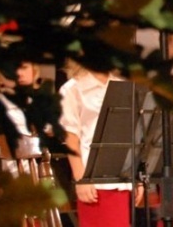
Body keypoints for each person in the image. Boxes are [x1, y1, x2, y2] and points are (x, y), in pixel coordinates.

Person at [58, 61, 135, 225]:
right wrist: (81, 179)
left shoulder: (122, 84)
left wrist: (136, 176)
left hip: (121, 177)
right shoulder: (73, 88)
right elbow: (71, 137)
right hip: (94, 180)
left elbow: (128, 132)